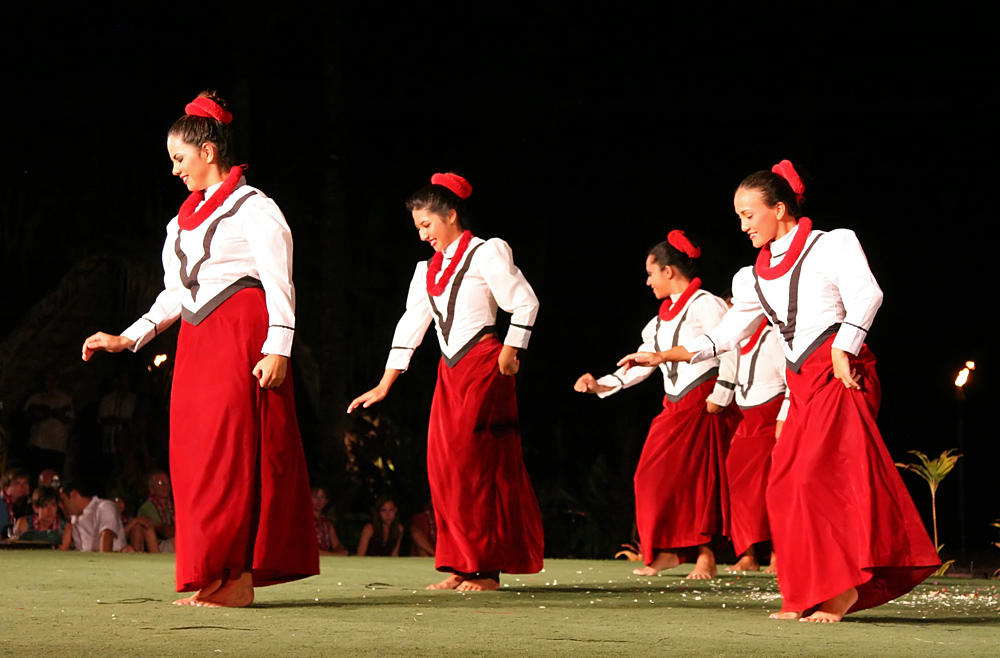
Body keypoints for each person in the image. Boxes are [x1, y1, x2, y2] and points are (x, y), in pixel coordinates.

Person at [619, 160, 939, 621]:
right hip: (802, 381)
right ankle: (808, 592)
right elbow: (727, 336)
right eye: (739, 216)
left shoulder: (832, 244)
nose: (742, 225)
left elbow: (868, 295)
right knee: (785, 486)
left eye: (749, 214)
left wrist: (844, 346)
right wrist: (662, 356)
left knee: (818, 479)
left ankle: (846, 589)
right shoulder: (751, 276)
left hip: (840, 372)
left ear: (781, 209)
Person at [81, 92, 318, 607]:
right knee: (194, 455)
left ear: (208, 151)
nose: (174, 170)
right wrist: (128, 337)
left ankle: (237, 576)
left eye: (179, 159)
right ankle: (212, 572)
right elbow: (175, 292)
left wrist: (280, 345)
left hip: (240, 332)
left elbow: (280, 280)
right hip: (196, 338)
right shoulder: (180, 223)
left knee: (231, 452)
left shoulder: (255, 206)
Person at [348, 172, 544, 592]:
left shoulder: (487, 252)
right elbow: (411, 325)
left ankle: (487, 568)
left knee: (477, 464)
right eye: (418, 227)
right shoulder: (427, 270)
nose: (422, 235)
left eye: (427, 225)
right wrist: (385, 383)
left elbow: (525, 301)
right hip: (451, 371)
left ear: (451, 216)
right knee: (445, 467)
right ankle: (460, 563)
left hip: (486, 363)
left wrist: (513, 349)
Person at [574, 231, 741, 579]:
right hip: (675, 403)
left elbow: (731, 346)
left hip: (704, 398)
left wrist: (721, 394)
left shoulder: (706, 304)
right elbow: (641, 364)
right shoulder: (660, 320)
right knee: (650, 476)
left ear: (668, 271)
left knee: (701, 480)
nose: (647, 281)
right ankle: (665, 551)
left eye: (651, 273)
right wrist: (600, 384)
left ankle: (706, 555)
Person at [725, 318, 786, 573]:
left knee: (772, 486)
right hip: (746, 418)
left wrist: (784, 417)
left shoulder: (773, 337)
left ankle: (778, 554)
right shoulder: (732, 342)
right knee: (737, 481)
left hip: (771, 416)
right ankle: (747, 554)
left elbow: (791, 381)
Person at [23, 374, 74, 475]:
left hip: (57, 445)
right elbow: (28, 416)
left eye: (53, 380)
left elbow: (69, 419)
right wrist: (53, 412)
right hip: (39, 444)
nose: (50, 383)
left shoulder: (65, 399)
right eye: (48, 380)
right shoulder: (35, 398)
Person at [60, 481, 126, 552]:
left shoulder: (104, 507)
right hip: (85, 561)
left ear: (74, 495)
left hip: (112, 559)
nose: (61, 506)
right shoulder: (73, 518)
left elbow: (107, 535)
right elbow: (63, 548)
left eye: (63, 500)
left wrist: (103, 561)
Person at [137, 470, 176, 553]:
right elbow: (165, 532)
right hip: (157, 547)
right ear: (152, 489)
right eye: (160, 483)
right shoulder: (147, 508)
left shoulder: (172, 505)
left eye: (167, 483)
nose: (166, 486)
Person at [311, 486, 348, 556]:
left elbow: (337, 544)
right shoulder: (305, 521)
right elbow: (309, 550)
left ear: (326, 501)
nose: (319, 501)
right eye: (315, 497)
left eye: (322, 497)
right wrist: (334, 554)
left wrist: (341, 550)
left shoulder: (327, 523)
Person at [1, 467, 31, 535]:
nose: (23, 486)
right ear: (6, 489)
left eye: (25, 483)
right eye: (17, 483)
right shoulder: (2, 506)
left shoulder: (30, 505)